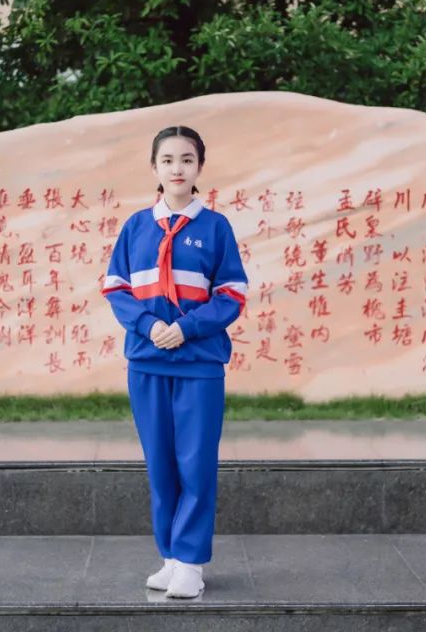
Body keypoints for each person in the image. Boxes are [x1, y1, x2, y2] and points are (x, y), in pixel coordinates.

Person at [101, 125, 249, 598]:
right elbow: (116, 288)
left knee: (196, 463)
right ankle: (169, 556)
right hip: (146, 362)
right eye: (168, 160)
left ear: (199, 167)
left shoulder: (216, 227)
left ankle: (191, 562)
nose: (177, 168)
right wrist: (148, 327)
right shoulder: (135, 227)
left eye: (187, 159)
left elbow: (231, 293)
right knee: (160, 465)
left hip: (199, 363)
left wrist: (186, 328)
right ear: (154, 169)